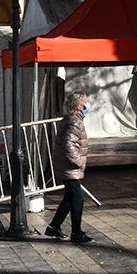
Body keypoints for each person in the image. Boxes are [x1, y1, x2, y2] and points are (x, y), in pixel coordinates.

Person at [46, 92, 94, 243]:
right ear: (80, 105)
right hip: (70, 167)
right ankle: (76, 233)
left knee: (69, 198)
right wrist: (79, 162)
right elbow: (69, 145)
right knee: (77, 199)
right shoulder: (75, 122)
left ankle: (53, 227)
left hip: (66, 166)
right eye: (86, 102)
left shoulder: (70, 119)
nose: (89, 104)